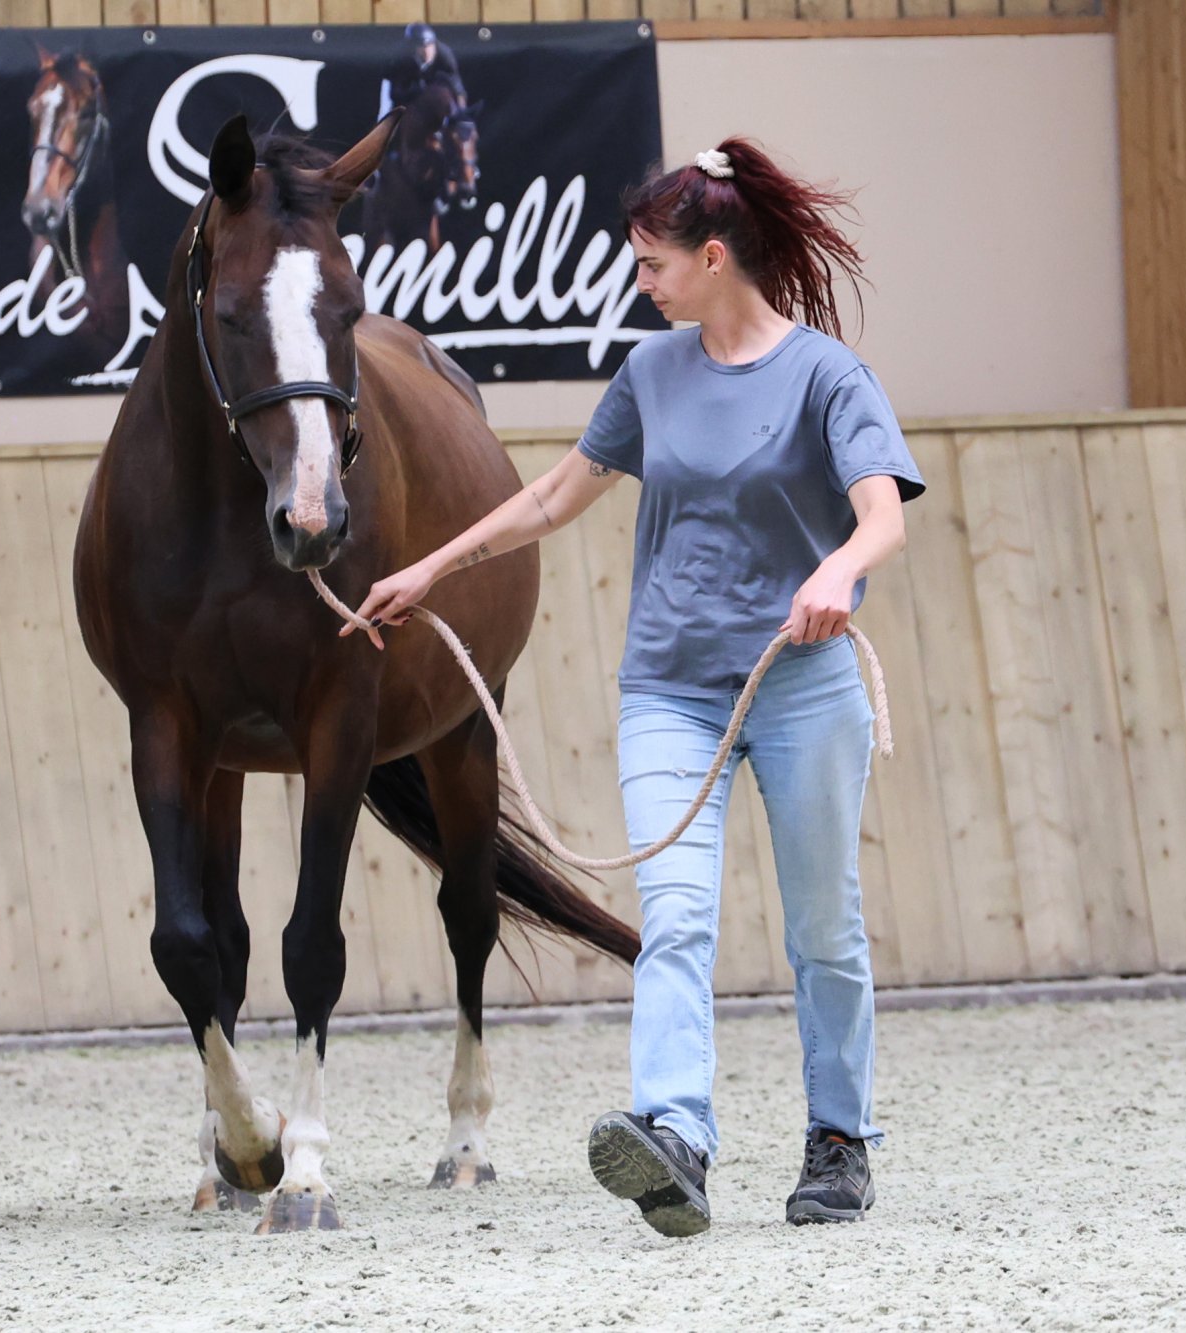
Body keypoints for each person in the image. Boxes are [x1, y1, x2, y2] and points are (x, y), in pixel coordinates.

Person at [347, 139, 924, 1237]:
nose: (641, 283)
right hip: (670, 690)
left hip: (801, 687)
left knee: (824, 929)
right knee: (675, 920)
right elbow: (555, 495)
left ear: (712, 258)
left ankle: (839, 1139)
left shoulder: (825, 376)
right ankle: (676, 1137)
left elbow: (881, 517)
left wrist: (836, 571)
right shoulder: (650, 374)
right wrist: (428, 568)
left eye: (653, 264)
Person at [378, 22, 467, 122]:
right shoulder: (401, 58)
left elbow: (457, 86)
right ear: (413, 47)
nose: (427, 52)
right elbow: (394, 94)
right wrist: (413, 91)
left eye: (430, 46)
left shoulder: (445, 55)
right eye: (422, 46)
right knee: (386, 114)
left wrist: (461, 111)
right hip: (399, 85)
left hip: (430, 82)